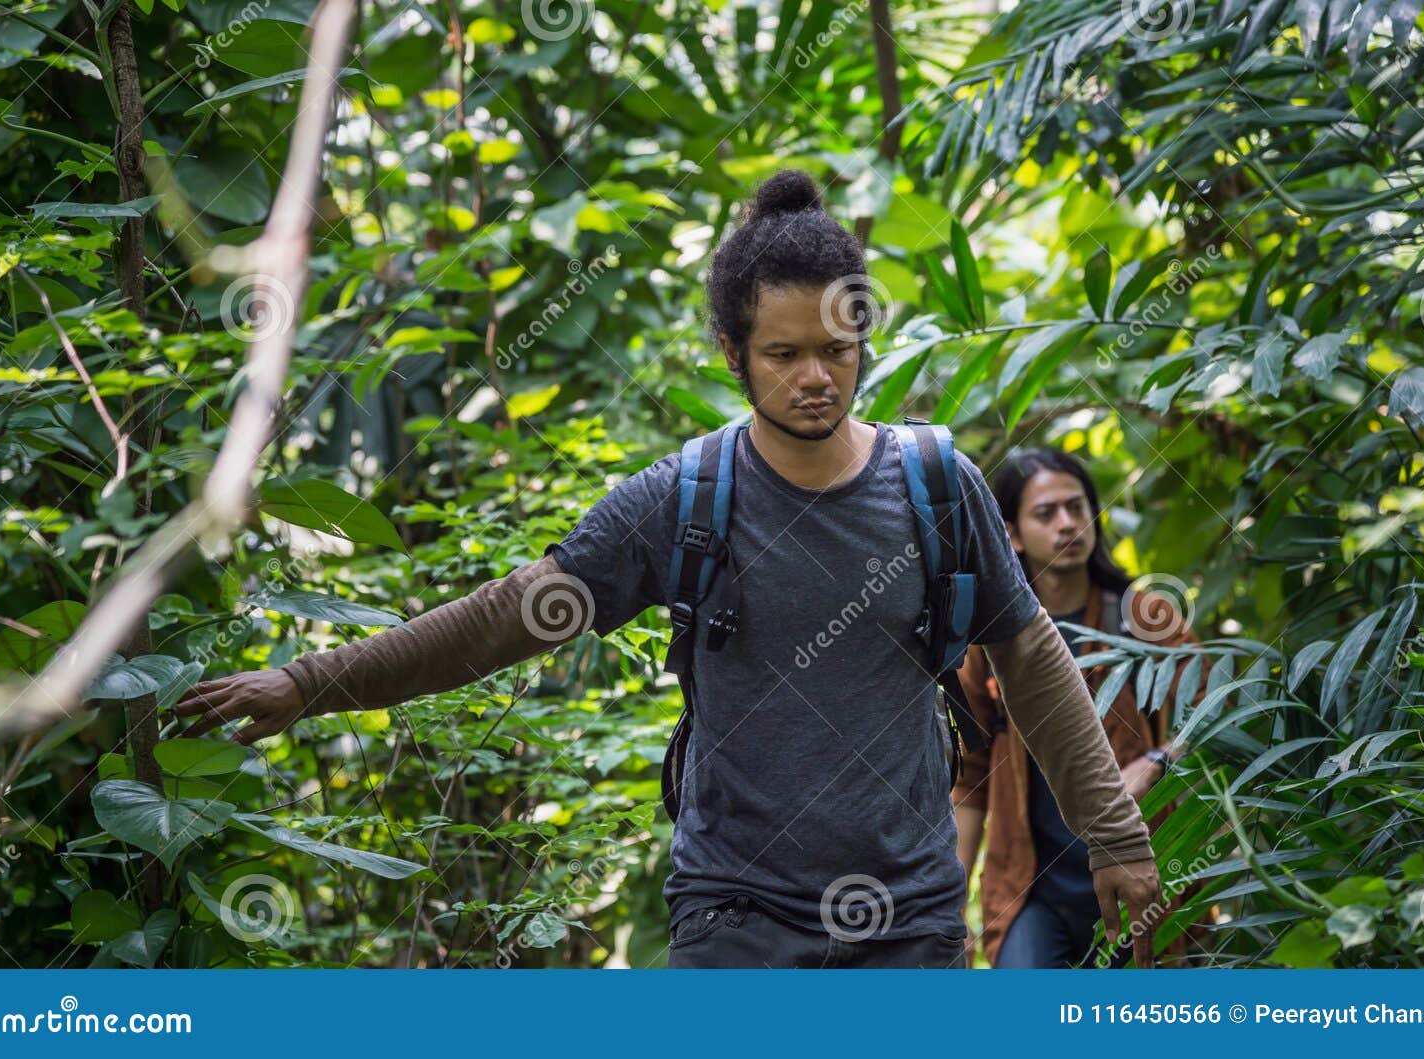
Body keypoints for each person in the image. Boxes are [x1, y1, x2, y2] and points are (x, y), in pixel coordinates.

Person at [174, 170, 1163, 969]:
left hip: (905, 917)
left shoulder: (936, 485)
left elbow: (1031, 664)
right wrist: (308, 684)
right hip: (734, 912)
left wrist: (1114, 838)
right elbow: (504, 617)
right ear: (733, 353)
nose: (816, 376)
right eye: (783, 354)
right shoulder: (681, 501)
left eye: (835, 348)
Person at [951, 447, 1210, 969]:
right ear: (1012, 534)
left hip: (1139, 872)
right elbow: (970, 777)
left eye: (1077, 507)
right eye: (1046, 514)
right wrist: (951, 906)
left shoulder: (1146, 617)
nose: (1068, 524)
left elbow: (1210, 726)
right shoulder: (988, 638)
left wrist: (1158, 761)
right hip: (1031, 886)